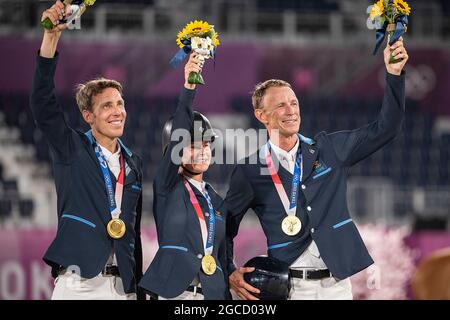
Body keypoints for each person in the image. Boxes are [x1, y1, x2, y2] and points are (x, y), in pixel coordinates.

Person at [225, 36, 409, 300]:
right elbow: (224, 227)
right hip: (288, 289)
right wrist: (230, 269)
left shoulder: (330, 149)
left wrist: (394, 75)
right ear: (261, 115)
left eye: (294, 103)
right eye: (280, 105)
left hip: (336, 286)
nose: (291, 111)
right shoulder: (250, 170)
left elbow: (386, 128)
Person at [30, 0, 144, 300]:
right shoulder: (72, 148)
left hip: (123, 288)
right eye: (107, 105)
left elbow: (131, 231)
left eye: (120, 103)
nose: (117, 111)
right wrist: (50, 39)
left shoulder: (133, 163)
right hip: (80, 285)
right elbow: (42, 104)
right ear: (88, 116)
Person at [139, 54, 230, 300]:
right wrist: (189, 85)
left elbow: (222, 257)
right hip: (175, 295)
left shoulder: (217, 201)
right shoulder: (167, 186)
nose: (202, 151)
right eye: (192, 145)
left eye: (206, 144)